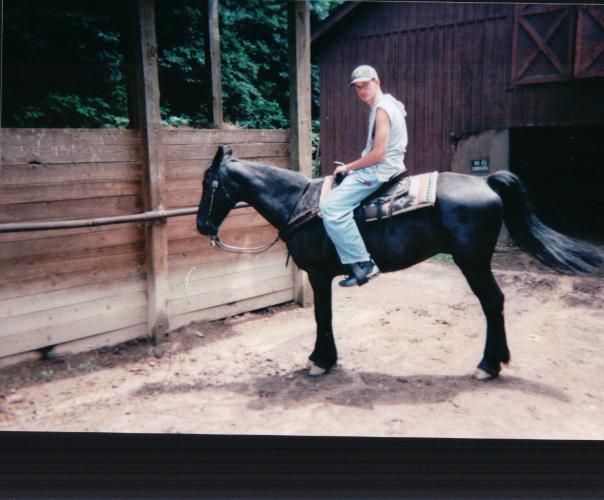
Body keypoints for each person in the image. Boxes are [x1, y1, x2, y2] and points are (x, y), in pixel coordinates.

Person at [320, 64, 409, 287]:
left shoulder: (382, 109)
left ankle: (365, 264)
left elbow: (378, 153)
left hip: (381, 171)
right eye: (357, 87)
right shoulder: (389, 105)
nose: (361, 91)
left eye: (365, 85)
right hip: (388, 166)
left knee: (331, 207)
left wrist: (349, 167)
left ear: (376, 82)